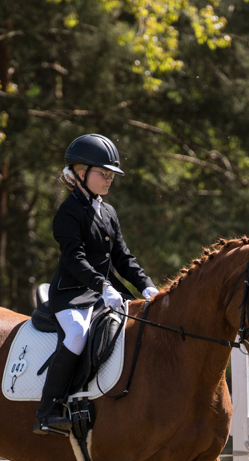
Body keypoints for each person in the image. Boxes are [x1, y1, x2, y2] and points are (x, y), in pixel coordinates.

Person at [36, 133, 158, 435]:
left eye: (111, 174)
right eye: (103, 173)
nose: (109, 179)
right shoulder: (68, 212)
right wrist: (103, 286)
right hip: (72, 293)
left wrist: (147, 286)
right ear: (81, 174)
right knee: (77, 335)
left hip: (106, 292)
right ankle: (48, 411)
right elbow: (75, 259)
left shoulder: (107, 211)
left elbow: (122, 257)